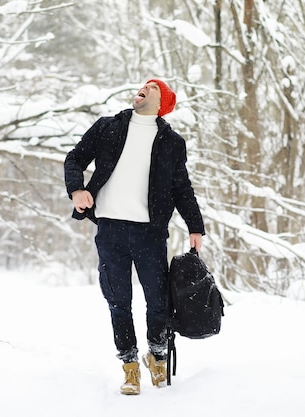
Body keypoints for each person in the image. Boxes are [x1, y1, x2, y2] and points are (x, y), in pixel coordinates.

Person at [64, 79, 205, 395]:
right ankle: (129, 366)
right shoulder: (107, 127)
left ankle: (156, 355)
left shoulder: (171, 142)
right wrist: (77, 189)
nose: (144, 87)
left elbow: (182, 188)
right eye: (144, 85)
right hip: (110, 229)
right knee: (118, 301)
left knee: (158, 301)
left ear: (163, 103)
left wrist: (196, 226)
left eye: (153, 87)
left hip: (150, 234)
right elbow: (75, 158)